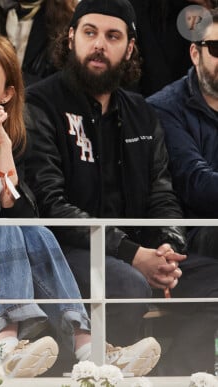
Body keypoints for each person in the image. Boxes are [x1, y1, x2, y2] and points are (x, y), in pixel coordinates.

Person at [0, 33, 161, 377]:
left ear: (8, 93)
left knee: (30, 229)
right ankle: (7, 346)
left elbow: (25, 214)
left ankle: (87, 345)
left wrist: (0, 145)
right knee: (4, 232)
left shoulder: (12, 135)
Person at [23, 0, 218, 375]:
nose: (100, 44)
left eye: (113, 36)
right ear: (71, 37)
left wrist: (169, 249)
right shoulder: (40, 102)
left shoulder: (142, 112)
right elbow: (50, 204)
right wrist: (131, 254)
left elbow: (162, 194)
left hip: (139, 252)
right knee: (127, 284)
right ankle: (98, 376)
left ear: (129, 47)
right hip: (67, 250)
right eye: (90, 32)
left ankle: (175, 378)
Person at [146, 9, 218, 374]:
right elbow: (197, 184)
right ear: (195, 52)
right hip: (180, 247)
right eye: (217, 48)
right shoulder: (163, 108)